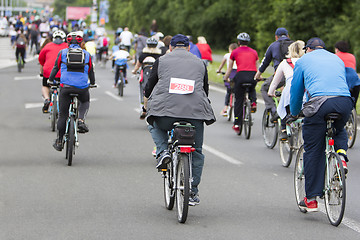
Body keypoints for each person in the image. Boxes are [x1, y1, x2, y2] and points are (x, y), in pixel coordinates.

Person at [143, 34, 216, 205]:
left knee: (153, 123)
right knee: (196, 150)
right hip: (195, 114)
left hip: (165, 114)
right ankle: (192, 192)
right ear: (189, 48)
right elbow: (205, 89)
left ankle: (163, 152)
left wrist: (147, 97)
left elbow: (149, 87)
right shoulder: (200, 63)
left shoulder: (161, 60)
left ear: (170, 48)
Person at [290, 37, 353, 212]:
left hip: (319, 103)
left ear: (308, 49)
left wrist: (294, 112)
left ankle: (311, 199)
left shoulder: (303, 61)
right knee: (338, 128)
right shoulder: (337, 58)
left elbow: (296, 91)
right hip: (344, 102)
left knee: (313, 148)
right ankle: (341, 156)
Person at [49, 31, 96, 151]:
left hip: (65, 86)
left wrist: (50, 80)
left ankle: (59, 141)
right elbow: (91, 71)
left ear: (67, 42)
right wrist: (92, 83)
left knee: (63, 115)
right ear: (81, 43)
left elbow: (56, 68)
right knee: (85, 101)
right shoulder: (86, 54)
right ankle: (80, 120)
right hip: (82, 87)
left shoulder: (62, 53)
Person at [268, 40, 305, 140]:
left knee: (285, 106)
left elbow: (275, 81)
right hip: (306, 95)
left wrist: (271, 92)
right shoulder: (307, 62)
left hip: (291, 94)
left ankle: (284, 130)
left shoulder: (284, 63)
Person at [254, 27, 293, 120]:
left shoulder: (273, 46)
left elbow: (265, 63)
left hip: (281, 75)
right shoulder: (294, 45)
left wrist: (257, 75)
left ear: (276, 37)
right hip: (296, 75)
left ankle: (273, 110)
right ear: (288, 36)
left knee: (264, 88)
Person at [223, 33, 258, 134]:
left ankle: (237, 124)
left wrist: (226, 78)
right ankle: (253, 102)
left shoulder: (234, 52)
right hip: (252, 75)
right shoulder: (254, 52)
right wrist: (258, 77)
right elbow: (257, 67)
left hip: (240, 75)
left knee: (238, 100)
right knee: (252, 88)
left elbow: (230, 68)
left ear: (238, 42)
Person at [38, 30, 68, 113]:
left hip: (49, 72)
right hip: (63, 73)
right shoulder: (67, 47)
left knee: (45, 85)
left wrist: (42, 72)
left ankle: (47, 99)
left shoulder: (47, 46)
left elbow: (41, 60)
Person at [132, 37, 162, 119]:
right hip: (157, 76)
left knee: (142, 87)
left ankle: (143, 107)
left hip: (145, 73)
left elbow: (138, 65)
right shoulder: (159, 55)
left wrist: (134, 71)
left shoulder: (143, 54)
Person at [217, 43, 238, 116]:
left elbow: (222, 64)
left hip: (231, 73)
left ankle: (225, 108)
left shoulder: (227, 55)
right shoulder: (239, 54)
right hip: (238, 73)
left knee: (229, 91)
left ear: (230, 49)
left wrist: (219, 70)